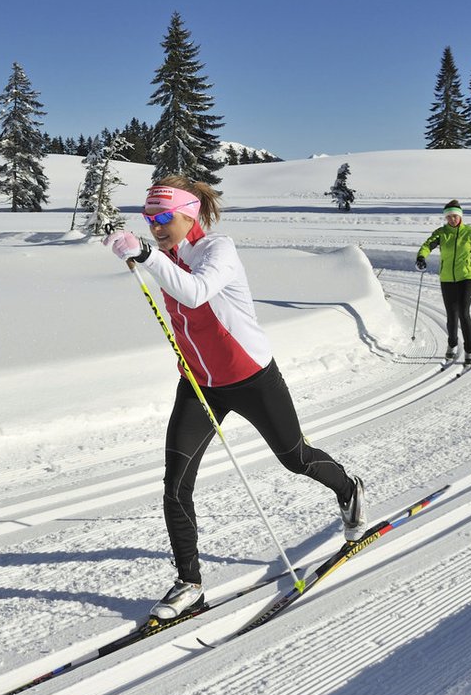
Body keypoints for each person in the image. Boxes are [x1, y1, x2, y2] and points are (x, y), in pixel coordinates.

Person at [105, 176, 366, 621]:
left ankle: (348, 487)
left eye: (165, 217)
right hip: (199, 383)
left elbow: (194, 292)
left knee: (295, 457)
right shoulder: (165, 256)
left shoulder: (218, 250)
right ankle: (189, 584)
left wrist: (146, 255)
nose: (156, 226)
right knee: (176, 482)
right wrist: (143, 257)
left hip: (251, 378)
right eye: (149, 219)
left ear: (191, 214)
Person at [415, 199, 471, 366]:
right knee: (451, 315)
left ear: (460, 216)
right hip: (447, 279)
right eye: (449, 217)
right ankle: (452, 344)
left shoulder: (470, 232)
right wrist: (421, 257)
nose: (452, 219)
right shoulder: (441, 233)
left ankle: (470, 349)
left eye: (455, 216)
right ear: (446, 218)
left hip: (466, 278)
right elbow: (427, 245)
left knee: (464, 313)